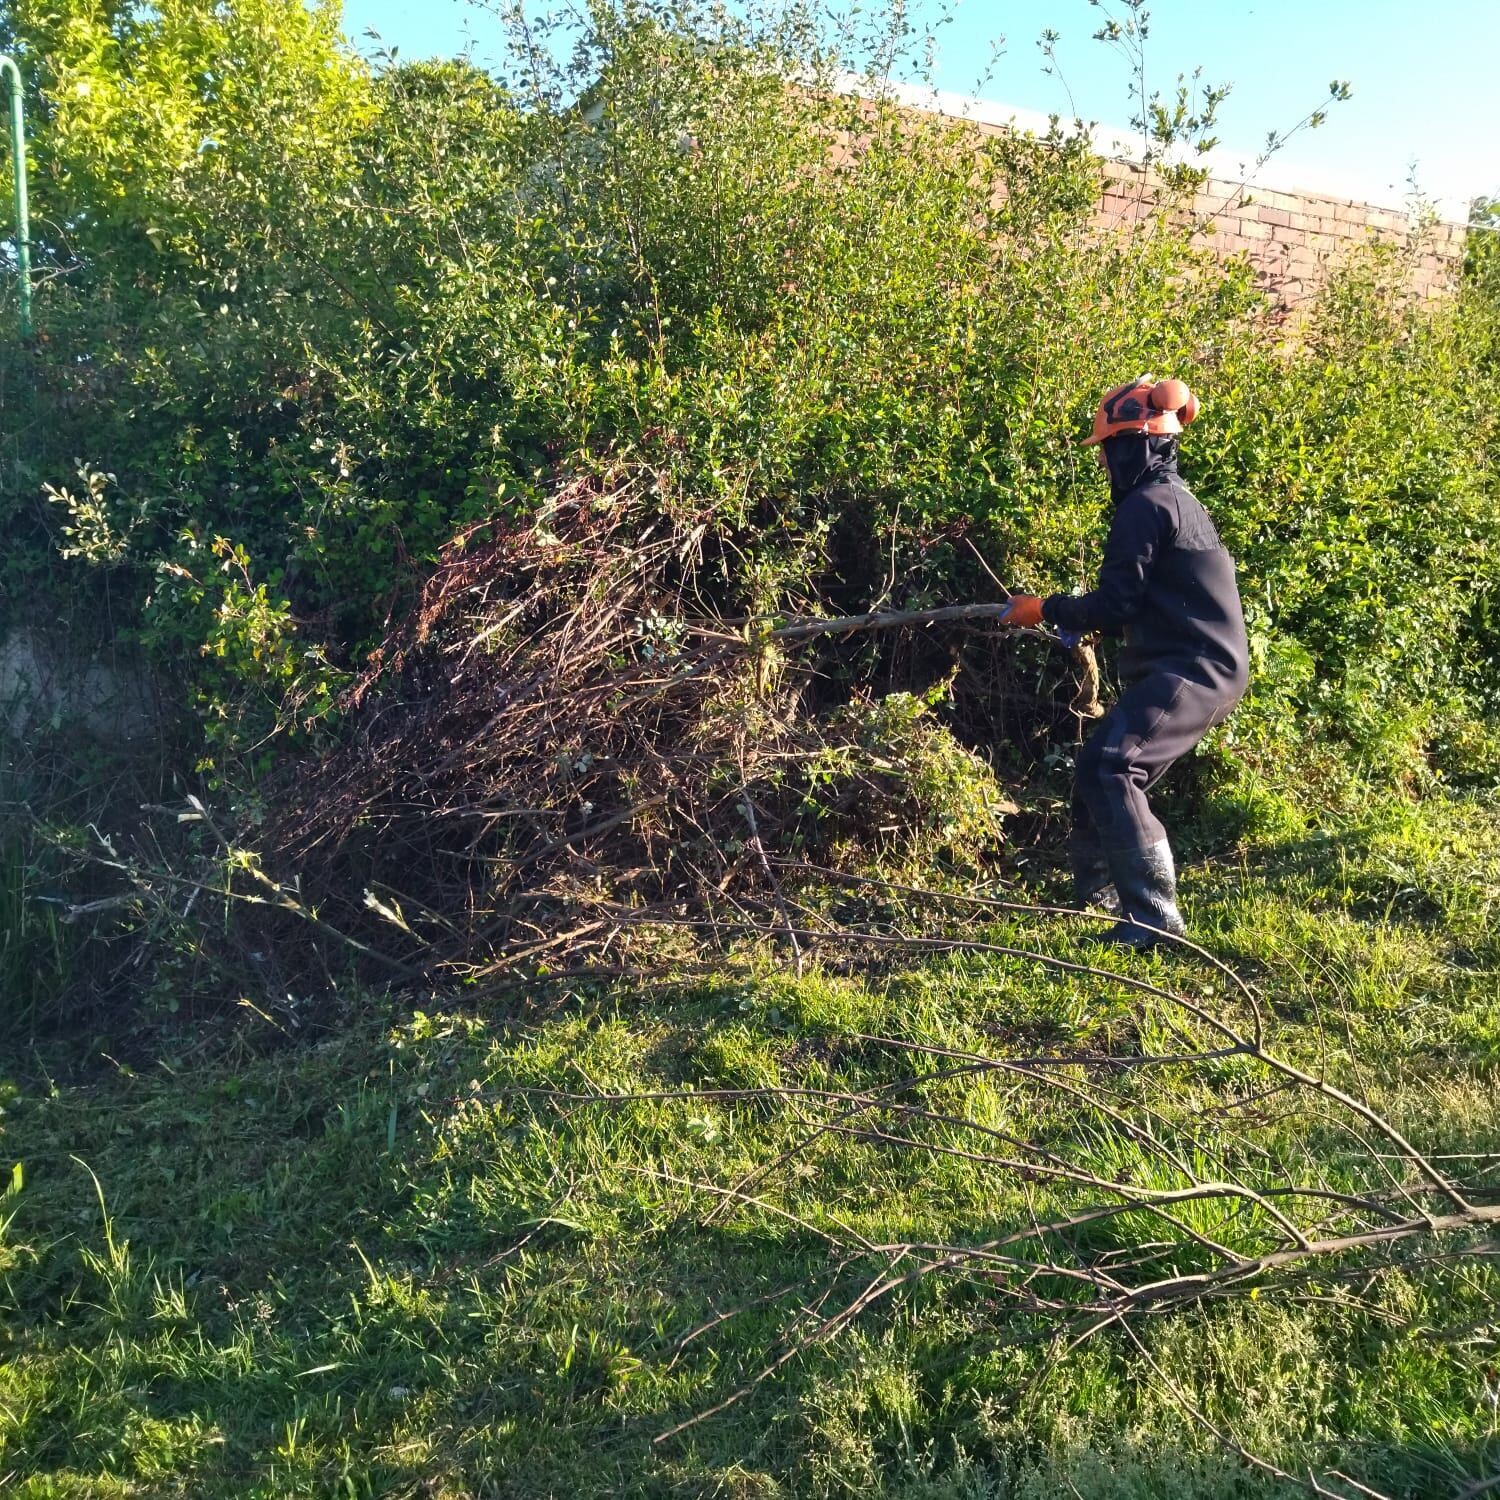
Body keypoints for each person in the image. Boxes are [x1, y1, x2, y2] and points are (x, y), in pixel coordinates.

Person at [999, 376, 1249, 948]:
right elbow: (1125, 605)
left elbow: (1115, 605)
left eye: (1111, 449)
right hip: (1203, 665)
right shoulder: (1172, 499)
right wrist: (1062, 612)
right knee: (1099, 766)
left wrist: (1043, 609)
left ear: (1135, 444)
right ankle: (1101, 900)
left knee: (1115, 764)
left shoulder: (1147, 505)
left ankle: (1155, 922)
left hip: (1195, 667)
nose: (1108, 464)